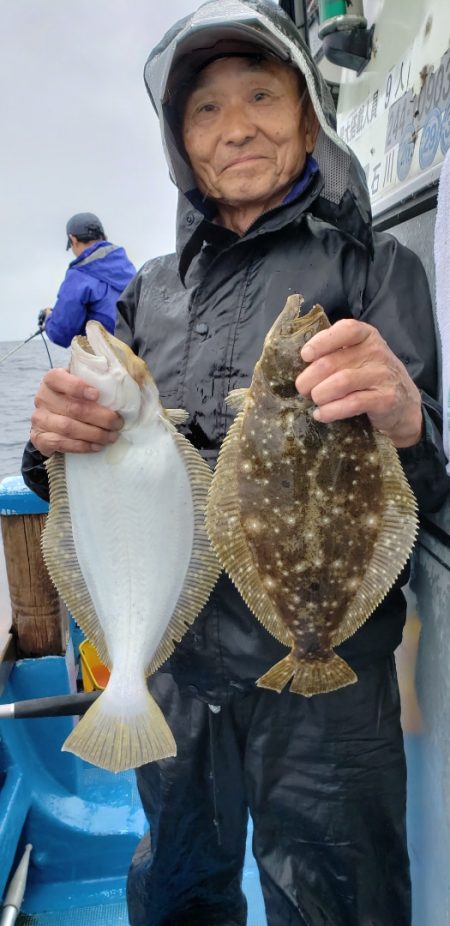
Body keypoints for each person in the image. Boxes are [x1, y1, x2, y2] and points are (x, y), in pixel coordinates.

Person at [22, 1, 450, 924]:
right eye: (205, 109)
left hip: (327, 672)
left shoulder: (377, 272)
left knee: (341, 900)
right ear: (181, 143)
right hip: (174, 668)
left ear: (306, 114)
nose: (237, 125)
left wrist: (410, 421)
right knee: (178, 888)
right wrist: (47, 440)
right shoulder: (148, 293)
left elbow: (428, 493)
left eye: (261, 94)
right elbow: (76, 490)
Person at [40, 212, 135, 347]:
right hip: (136, 359)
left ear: (73, 240)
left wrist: (48, 316)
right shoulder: (132, 271)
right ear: (105, 237)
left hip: (106, 362)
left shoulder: (79, 276)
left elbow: (61, 334)